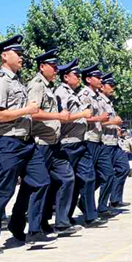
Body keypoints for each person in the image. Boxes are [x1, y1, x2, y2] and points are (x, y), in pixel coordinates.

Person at [0, 35, 49, 254]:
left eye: (21, 53)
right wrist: (27, 111)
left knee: (41, 181)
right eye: (17, 54)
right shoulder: (1, 81)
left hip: (27, 142)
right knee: (5, 189)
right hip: (8, 142)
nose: (21, 57)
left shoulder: (17, 81)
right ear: (4, 56)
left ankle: (29, 228)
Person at [25, 49, 78, 235]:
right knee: (39, 184)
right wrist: (58, 116)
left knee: (67, 177)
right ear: (42, 67)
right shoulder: (36, 85)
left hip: (54, 143)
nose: (56, 70)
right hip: (41, 143)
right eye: (53, 66)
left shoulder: (49, 87)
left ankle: (61, 221)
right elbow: (32, 112)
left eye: (57, 66)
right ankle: (34, 226)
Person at [54, 59, 104, 228]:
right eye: (75, 75)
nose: (78, 77)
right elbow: (61, 118)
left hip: (80, 142)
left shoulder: (74, 93)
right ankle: (62, 219)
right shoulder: (60, 93)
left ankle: (91, 215)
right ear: (66, 77)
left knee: (89, 178)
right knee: (69, 181)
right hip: (67, 143)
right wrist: (83, 114)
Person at [80, 64, 118, 220]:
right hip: (89, 139)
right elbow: (81, 117)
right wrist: (100, 119)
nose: (101, 79)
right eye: (97, 77)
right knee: (88, 178)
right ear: (89, 79)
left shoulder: (96, 96)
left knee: (108, 173)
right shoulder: (85, 95)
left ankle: (101, 206)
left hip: (99, 140)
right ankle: (89, 209)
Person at [99, 73, 129, 208]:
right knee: (102, 175)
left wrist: (116, 126)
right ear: (102, 86)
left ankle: (115, 199)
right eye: (110, 85)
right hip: (104, 142)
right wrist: (113, 122)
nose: (113, 88)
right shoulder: (98, 101)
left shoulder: (108, 102)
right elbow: (93, 122)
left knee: (123, 168)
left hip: (113, 141)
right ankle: (92, 203)